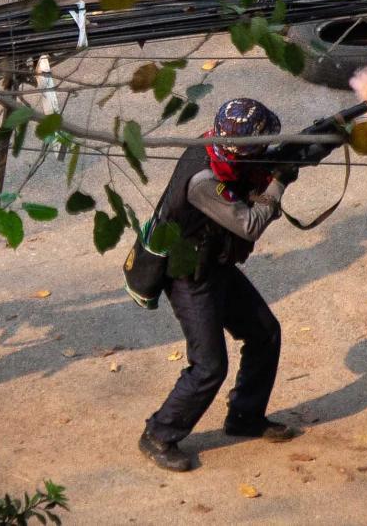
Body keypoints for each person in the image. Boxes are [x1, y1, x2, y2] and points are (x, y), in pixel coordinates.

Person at [139, 98, 300, 472]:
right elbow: (249, 224)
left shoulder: (224, 150)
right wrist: (279, 181)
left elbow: (251, 169)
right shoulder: (204, 180)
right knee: (209, 366)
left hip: (217, 264)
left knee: (264, 333)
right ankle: (159, 434)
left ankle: (245, 417)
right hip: (190, 277)